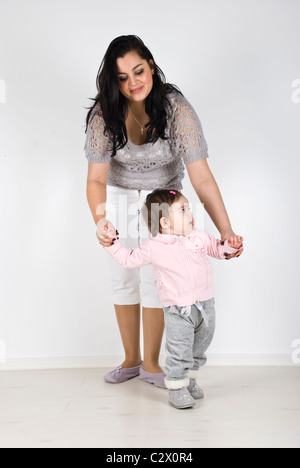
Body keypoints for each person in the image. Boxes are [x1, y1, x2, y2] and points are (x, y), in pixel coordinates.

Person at [84, 35, 244, 388]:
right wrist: (101, 220)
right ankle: (131, 359)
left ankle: (153, 365)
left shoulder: (177, 109)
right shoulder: (104, 114)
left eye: (138, 71)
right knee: (122, 279)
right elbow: (95, 179)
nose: (132, 83)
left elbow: (201, 177)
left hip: (164, 200)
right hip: (119, 195)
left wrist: (226, 232)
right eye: (122, 77)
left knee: (161, 280)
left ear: (151, 67)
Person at [103, 189, 243, 408]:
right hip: (179, 310)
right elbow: (129, 260)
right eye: (183, 210)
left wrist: (230, 246)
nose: (190, 214)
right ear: (165, 223)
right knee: (179, 349)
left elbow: (218, 249)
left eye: (189, 208)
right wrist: (112, 244)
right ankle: (177, 386)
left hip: (205, 307)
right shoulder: (154, 247)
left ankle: (191, 379)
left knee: (199, 347)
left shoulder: (199, 237)